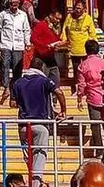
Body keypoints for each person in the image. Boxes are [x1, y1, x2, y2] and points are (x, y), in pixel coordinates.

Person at [12, 57, 68, 187]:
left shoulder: (18, 83)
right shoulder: (44, 81)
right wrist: (63, 110)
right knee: (39, 156)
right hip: (40, 123)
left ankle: (35, 181)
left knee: (28, 157)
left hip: (23, 125)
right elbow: (59, 92)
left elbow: (12, 103)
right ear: (42, 68)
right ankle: (36, 184)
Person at [77, 39, 104, 155]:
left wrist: (79, 97)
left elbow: (82, 84)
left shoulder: (83, 65)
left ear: (86, 50)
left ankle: (100, 149)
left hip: (93, 98)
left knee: (95, 125)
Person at [0, 0, 31, 105]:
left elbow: (26, 30)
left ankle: (14, 92)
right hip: (6, 44)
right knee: (5, 65)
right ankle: (5, 88)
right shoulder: (3, 14)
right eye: (11, 4)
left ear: (19, 4)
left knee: (17, 68)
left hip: (18, 45)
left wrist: (27, 43)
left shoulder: (23, 15)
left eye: (15, 4)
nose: (13, 6)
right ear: (9, 4)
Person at [62, 0, 98, 89]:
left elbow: (92, 33)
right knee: (75, 68)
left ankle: (87, 86)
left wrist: (94, 45)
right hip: (73, 47)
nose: (77, 10)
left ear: (84, 9)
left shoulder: (88, 18)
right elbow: (64, 29)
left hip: (85, 48)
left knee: (86, 68)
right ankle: (75, 86)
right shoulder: (70, 17)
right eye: (76, 8)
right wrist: (64, 41)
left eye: (79, 8)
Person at [31, 9, 68, 87]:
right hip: (42, 56)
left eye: (59, 19)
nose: (58, 21)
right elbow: (33, 39)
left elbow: (56, 39)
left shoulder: (56, 28)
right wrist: (46, 45)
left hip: (51, 56)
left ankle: (54, 97)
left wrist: (60, 44)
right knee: (43, 80)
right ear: (51, 16)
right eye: (56, 18)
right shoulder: (41, 25)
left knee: (56, 79)